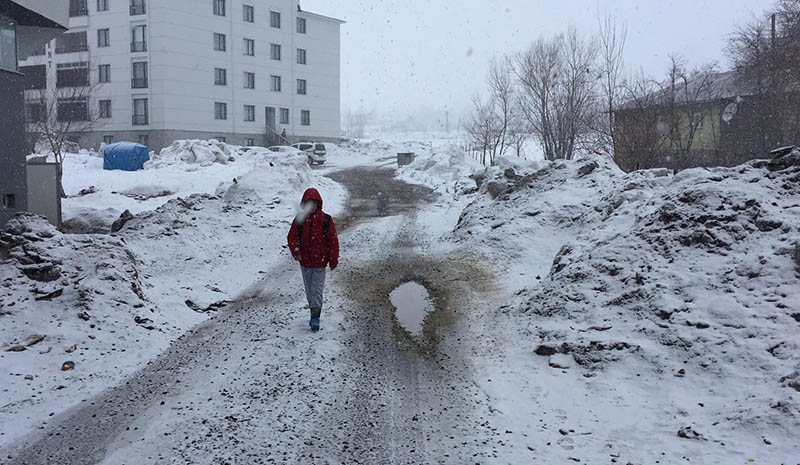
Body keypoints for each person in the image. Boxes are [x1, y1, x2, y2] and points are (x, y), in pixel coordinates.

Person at [287, 188, 339, 332]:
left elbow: (332, 241)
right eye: (308, 203)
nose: (311, 206)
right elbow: (292, 237)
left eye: (314, 204)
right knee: (310, 291)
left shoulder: (326, 220)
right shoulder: (300, 220)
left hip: (319, 263)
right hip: (305, 263)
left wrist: (332, 259)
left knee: (316, 290)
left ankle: (315, 317)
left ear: (318, 204)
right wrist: (296, 251)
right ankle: (313, 310)